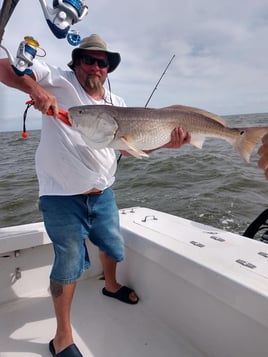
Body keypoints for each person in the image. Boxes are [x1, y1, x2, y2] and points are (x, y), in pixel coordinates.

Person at [0, 34, 190, 356]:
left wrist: (164, 144)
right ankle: (62, 337)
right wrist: (36, 90)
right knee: (70, 260)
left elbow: (128, 151)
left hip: (102, 193)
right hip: (61, 196)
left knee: (114, 246)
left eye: (102, 62)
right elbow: (5, 67)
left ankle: (111, 285)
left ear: (108, 69)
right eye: (88, 59)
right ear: (77, 62)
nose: (95, 67)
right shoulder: (58, 79)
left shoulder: (117, 103)